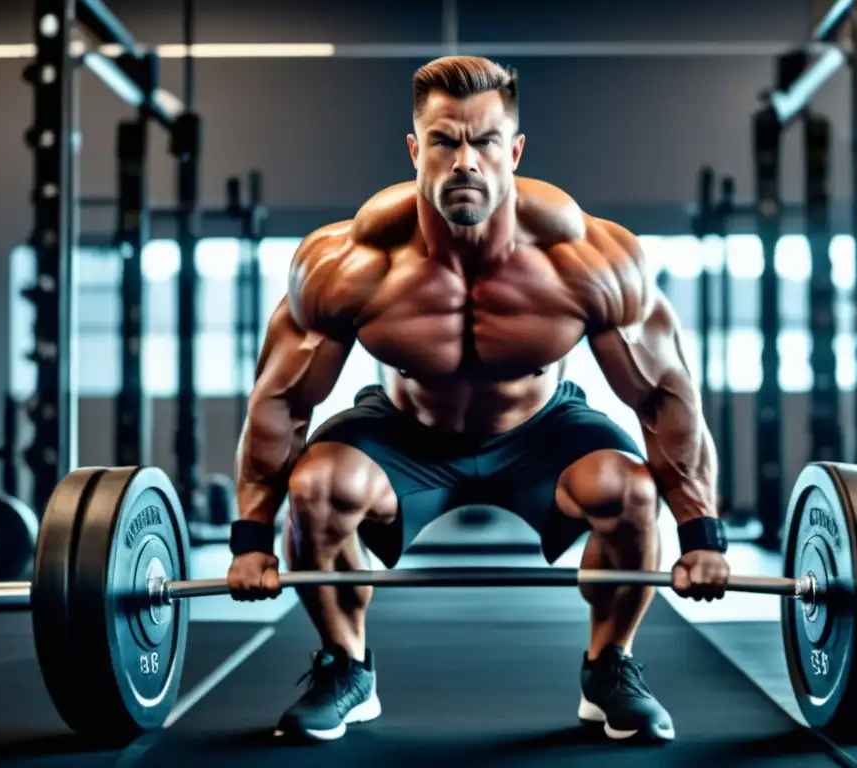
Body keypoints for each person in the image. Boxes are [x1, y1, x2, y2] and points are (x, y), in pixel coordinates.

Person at [227, 56, 727, 744]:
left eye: (485, 141)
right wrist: (252, 540)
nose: (466, 161)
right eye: (444, 141)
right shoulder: (349, 264)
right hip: (407, 429)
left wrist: (701, 534)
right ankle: (346, 666)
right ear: (415, 149)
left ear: (514, 150)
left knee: (629, 492)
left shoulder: (587, 260)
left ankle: (611, 666)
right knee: (319, 485)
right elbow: (280, 401)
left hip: (541, 428)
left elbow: (666, 397)